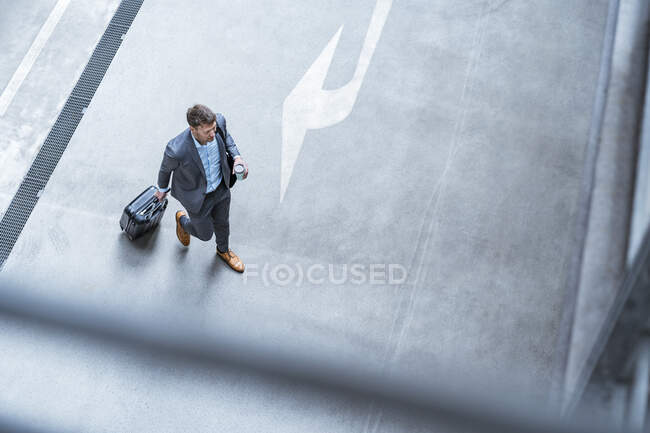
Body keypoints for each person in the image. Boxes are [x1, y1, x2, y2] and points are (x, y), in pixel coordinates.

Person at [154, 104, 249, 272]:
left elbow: (226, 137)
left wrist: (237, 157)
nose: (213, 133)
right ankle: (182, 222)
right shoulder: (176, 149)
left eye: (214, 128)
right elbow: (165, 169)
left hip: (221, 187)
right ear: (193, 129)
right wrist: (162, 189)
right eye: (208, 132)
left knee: (223, 223)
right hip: (197, 196)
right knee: (205, 235)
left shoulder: (218, 122)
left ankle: (223, 251)